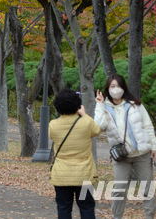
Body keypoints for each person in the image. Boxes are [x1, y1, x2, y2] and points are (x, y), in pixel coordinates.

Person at [95, 74, 156, 219]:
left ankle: (150, 216)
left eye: (119, 86)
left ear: (124, 88)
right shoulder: (104, 108)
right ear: (107, 88)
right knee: (119, 190)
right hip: (121, 156)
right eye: (112, 86)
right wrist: (99, 104)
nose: (116, 89)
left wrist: (153, 146)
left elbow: (147, 126)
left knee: (148, 189)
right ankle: (117, 217)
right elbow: (99, 126)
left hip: (141, 154)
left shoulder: (135, 104)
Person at [49, 89, 101, 219]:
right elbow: (97, 130)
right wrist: (84, 114)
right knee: (87, 207)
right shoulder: (86, 122)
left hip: (62, 175)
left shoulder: (53, 125)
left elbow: (53, 136)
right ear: (77, 105)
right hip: (84, 174)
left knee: (64, 208)